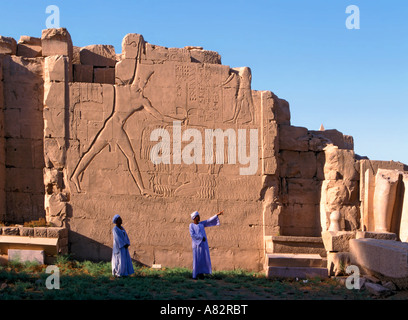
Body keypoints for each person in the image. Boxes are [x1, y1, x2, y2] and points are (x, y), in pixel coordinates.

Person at [189, 210, 223, 279]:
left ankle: (201, 274)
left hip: (203, 245)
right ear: (195, 218)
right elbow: (192, 235)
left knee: (203, 258)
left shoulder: (201, 224)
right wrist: (201, 238)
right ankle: (195, 274)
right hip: (196, 245)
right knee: (196, 259)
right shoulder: (191, 225)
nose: (199, 217)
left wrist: (217, 215)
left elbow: (208, 221)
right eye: (198, 216)